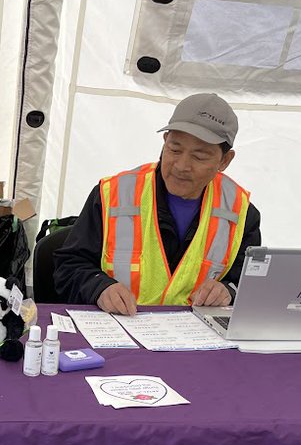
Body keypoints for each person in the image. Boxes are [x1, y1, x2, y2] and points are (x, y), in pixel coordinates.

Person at [53, 93, 261, 316]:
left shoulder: (240, 212)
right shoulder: (111, 194)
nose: (181, 166)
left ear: (225, 160)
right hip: (120, 325)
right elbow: (68, 266)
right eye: (175, 149)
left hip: (194, 332)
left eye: (199, 156)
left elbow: (251, 283)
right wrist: (99, 287)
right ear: (164, 142)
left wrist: (228, 291)